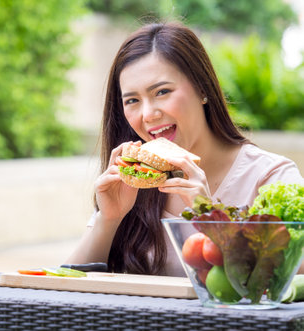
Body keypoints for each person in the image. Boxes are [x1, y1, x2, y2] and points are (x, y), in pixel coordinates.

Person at [65, 21, 304, 276]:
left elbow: (289, 279)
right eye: (132, 100)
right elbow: (66, 287)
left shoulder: (270, 177)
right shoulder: (134, 182)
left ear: (202, 88)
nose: (148, 114)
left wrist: (210, 216)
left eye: (162, 91)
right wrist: (108, 219)